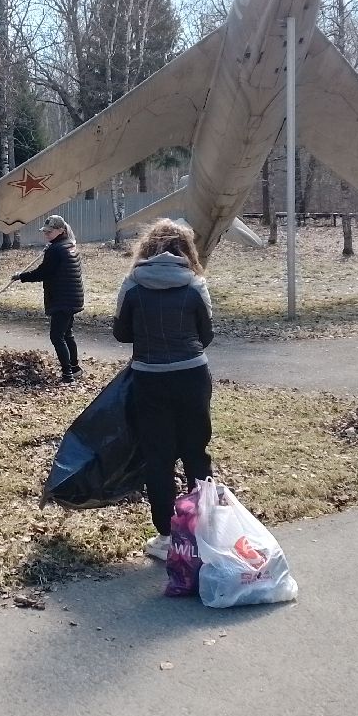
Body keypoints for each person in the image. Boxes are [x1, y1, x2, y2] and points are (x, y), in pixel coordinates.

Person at [111, 218, 214, 561]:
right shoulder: (195, 283)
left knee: (158, 457)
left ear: (146, 248)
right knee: (196, 452)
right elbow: (206, 335)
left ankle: (168, 536)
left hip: (149, 379)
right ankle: (205, 529)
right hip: (192, 376)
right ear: (186, 249)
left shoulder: (132, 284)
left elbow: (121, 334)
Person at [12, 213, 86, 382]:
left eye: (49, 232)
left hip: (62, 298)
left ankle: (67, 375)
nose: (46, 234)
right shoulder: (69, 245)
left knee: (57, 336)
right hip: (72, 297)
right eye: (45, 231)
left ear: (60, 230)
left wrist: (21, 276)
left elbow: (43, 273)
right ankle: (75, 368)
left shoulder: (56, 249)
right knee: (67, 334)